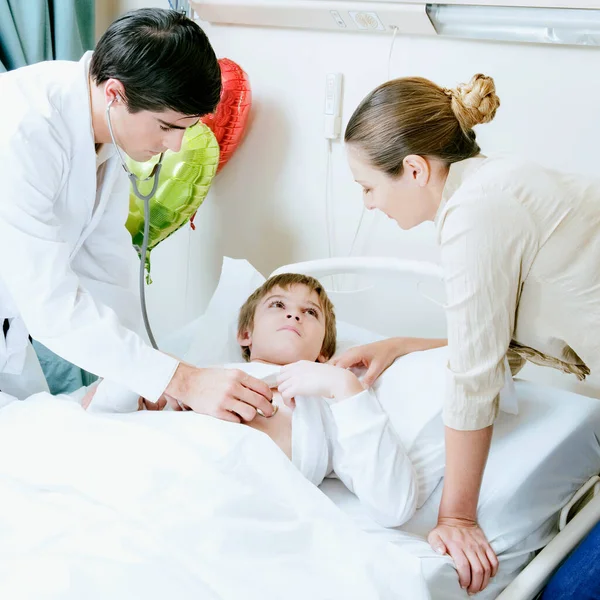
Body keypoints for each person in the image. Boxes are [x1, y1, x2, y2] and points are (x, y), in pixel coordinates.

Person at [333, 72, 600, 595]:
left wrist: (456, 517)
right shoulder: (491, 187)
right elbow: (493, 340)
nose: (368, 204)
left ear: (413, 169)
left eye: (367, 187)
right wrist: (406, 345)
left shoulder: (475, 213)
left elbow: (475, 377)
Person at [0, 9, 274, 420]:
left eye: (185, 129)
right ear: (115, 93)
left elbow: (107, 270)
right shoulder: (23, 130)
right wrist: (177, 379)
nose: (177, 146)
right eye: (167, 127)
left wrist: (146, 374)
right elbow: (50, 302)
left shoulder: (105, 133)